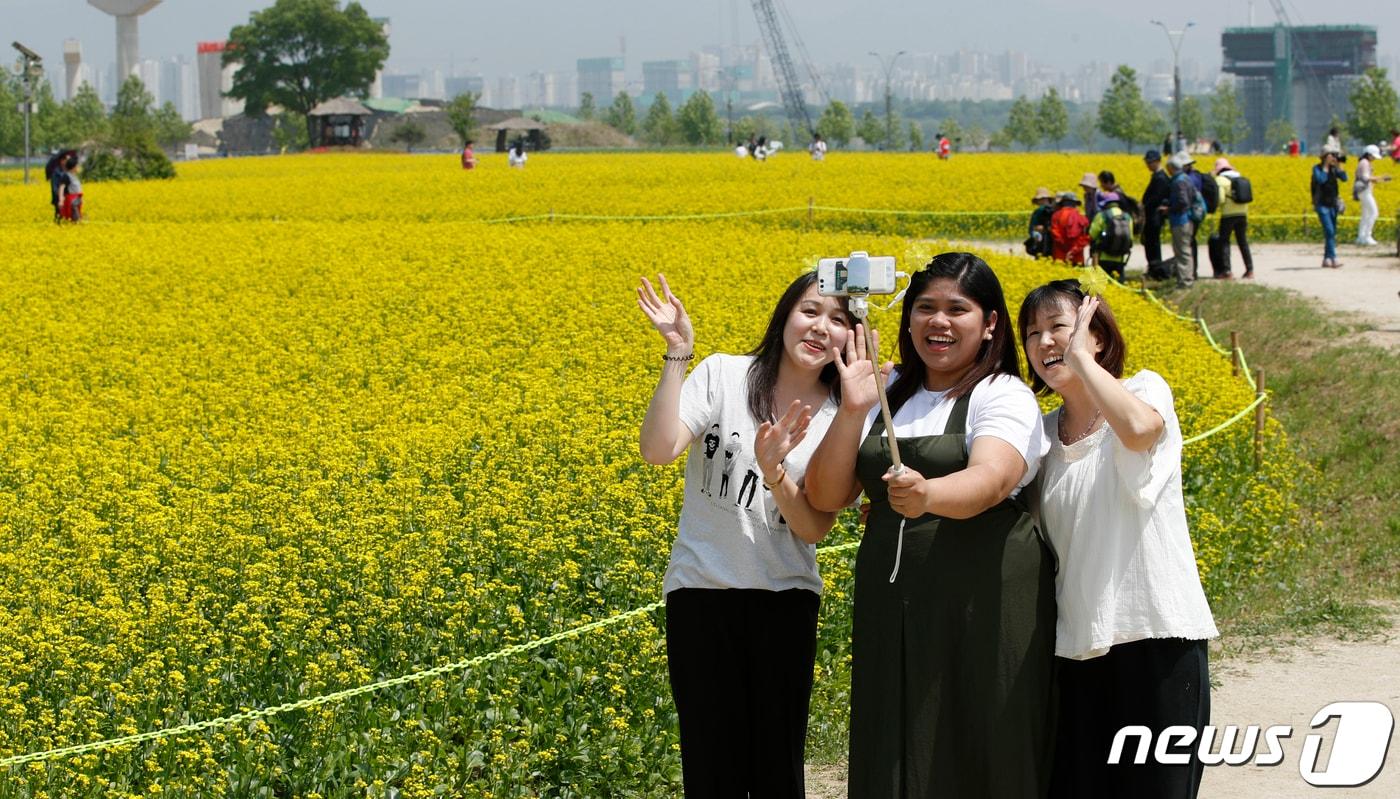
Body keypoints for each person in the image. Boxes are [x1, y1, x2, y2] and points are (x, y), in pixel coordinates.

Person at [806, 252, 1054, 799]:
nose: (938, 322)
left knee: (981, 737)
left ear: (990, 323)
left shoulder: (1002, 394)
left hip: (983, 601)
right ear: (907, 318)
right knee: (894, 740)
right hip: (892, 603)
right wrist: (852, 409)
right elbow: (826, 494)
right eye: (925, 308)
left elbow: (992, 478)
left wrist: (927, 494)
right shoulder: (885, 396)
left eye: (956, 309)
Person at [637, 271, 855, 798]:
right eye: (810, 311)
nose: (821, 328)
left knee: (777, 766)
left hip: (786, 595)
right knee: (711, 765)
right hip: (701, 592)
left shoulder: (843, 414)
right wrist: (677, 354)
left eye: (839, 320)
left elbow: (813, 526)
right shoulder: (723, 375)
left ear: (854, 337)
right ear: (784, 315)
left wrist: (775, 473)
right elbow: (658, 449)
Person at [1018, 280, 1218, 799]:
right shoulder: (1040, 436)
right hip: (1078, 647)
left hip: (1157, 636)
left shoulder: (1145, 389)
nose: (1044, 343)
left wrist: (1081, 362)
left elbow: (1137, 431)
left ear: (1097, 336)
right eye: (1032, 333)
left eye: (1058, 327)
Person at [1213, 158, 1254, 278]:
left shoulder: (1220, 180)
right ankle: (1250, 270)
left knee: (1224, 242)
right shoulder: (1239, 177)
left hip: (1228, 215)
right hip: (1242, 214)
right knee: (1243, 242)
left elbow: (1220, 199)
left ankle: (1227, 271)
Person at [1164, 152, 1201, 287]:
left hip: (1181, 220)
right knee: (1184, 250)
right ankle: (1185, 278)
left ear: (1172, 168)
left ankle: (1185, 281)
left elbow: (1182, 202)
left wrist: (1169, 209)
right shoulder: (1186, 178)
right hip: (1185, 219)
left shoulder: (1179, 181)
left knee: (1182, 250)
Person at [1312, 147, 1348, 268]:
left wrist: (1339, 166)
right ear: (1324, 157)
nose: (1333, 157)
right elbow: (1321, 180)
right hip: (1322, 205)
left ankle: (1327, 259)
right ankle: (1333, 258)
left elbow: (1344, 178)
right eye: (1330, 155)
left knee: (1331, 232)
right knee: (1329, 231)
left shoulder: (1334, 169)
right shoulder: (1317, 168)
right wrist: (1326, 166)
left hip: (1333, 204)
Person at [1087, 191, 1133, 281]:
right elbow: (1130, 237)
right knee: (1118, 285)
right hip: (1120, 257)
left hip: (1103, 256)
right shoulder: (1127, 217)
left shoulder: (1102, 215)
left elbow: (1092, 234)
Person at [1141, 150, 1172, 279]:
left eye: (1150, 162)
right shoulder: (1157, 176)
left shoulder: (1160, 177)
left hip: (1155, 216)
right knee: (1151, 243)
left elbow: (1156, 198)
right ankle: (1154, 268)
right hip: (1152, 215)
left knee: (1153, 243)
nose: (1148, 165)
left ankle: (1156, 270)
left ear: (1158, 161)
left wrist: (1144, 205)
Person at [1354, 144, 1392, 246]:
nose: (1374, 158)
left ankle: (1361, 237)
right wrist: (1382, 177)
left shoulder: (1363, 162)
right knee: (1374, 212)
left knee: (1365, 214)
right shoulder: (1365, 163)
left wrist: (1379, 179)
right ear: (1369, 154)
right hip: (1364, 191)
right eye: (1374, 156)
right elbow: (1366, 178)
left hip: (1363, 190)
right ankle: (1367, 236)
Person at [1051, 192, 1090, 265]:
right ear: (1075, 204)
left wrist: (1065, 248)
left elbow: (1055, 234)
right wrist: (1073, 250)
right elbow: (1086, 238)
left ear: (1062, 203)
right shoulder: (1082, 218)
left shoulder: (1056, 216)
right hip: (1077, 258)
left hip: (1060, 257)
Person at [1025, 187, 1055, 258]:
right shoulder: (1055, 210)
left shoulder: (1038, 211)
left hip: (1042, 242)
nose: (1042, 201)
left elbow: (1032, 229)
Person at [56, 151, 83, 223]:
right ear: (74, 167)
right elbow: (61, 187)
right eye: (77, 166)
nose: (78, 168)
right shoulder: (66, 176)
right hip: (71, 201)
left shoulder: (75, 176)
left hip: (77, 200)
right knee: (75, 219)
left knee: (77, 219)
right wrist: (61, 200)